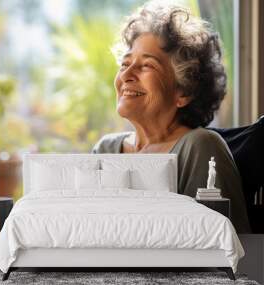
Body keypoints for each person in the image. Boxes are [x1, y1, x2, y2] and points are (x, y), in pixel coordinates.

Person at [91, 2, 250, 233]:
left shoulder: (201, 148)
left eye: (147, 65)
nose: (126, 74)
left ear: (183, 92)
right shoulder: (105, 150)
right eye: (125, 63)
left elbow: (223, 251)